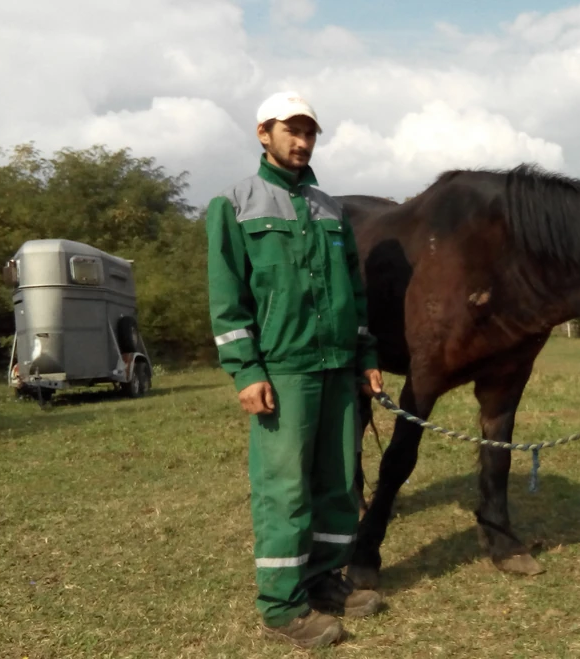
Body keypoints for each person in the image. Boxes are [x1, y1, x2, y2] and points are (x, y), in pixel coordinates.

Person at [205, 91, 384, 649]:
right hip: (282, 371)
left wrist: (367, 358)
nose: (302, 141)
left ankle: (324, 580)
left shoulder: (330, 209)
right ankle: (282, 606)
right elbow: (226, 299)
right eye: (292, 130)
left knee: (338, 484)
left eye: (310, 132)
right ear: (264, 133)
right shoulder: (234, 204)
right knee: (284, 491)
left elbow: (353, 294)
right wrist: (245, 369)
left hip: (337, 368)